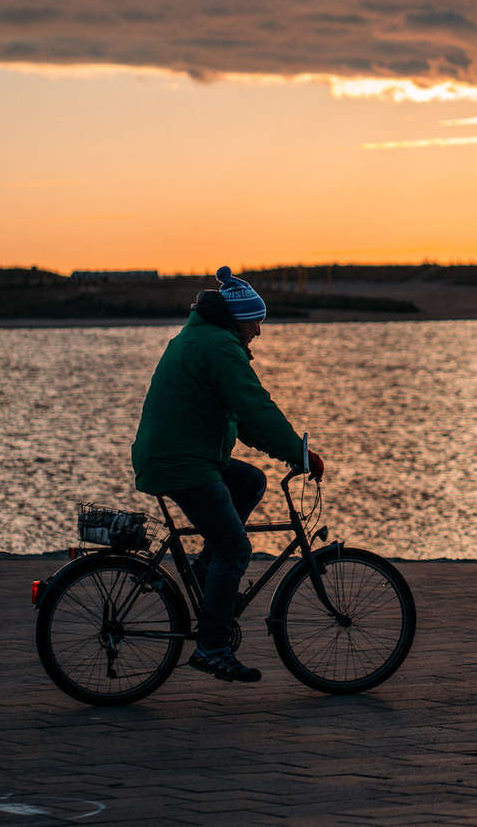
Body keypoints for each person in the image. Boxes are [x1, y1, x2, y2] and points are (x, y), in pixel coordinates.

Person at [131, 266, 324, 683]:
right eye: (256, 321)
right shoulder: (218, 347)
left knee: (251, 481)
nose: (259, 331)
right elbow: (256, 406)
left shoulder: (203, 339)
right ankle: (212, 647)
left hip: (186, 455)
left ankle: (205, 570)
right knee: (236, 549)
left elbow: (245, 420)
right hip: (182, 462)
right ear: (238, 319)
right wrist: (300, 453)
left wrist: (291, 454)